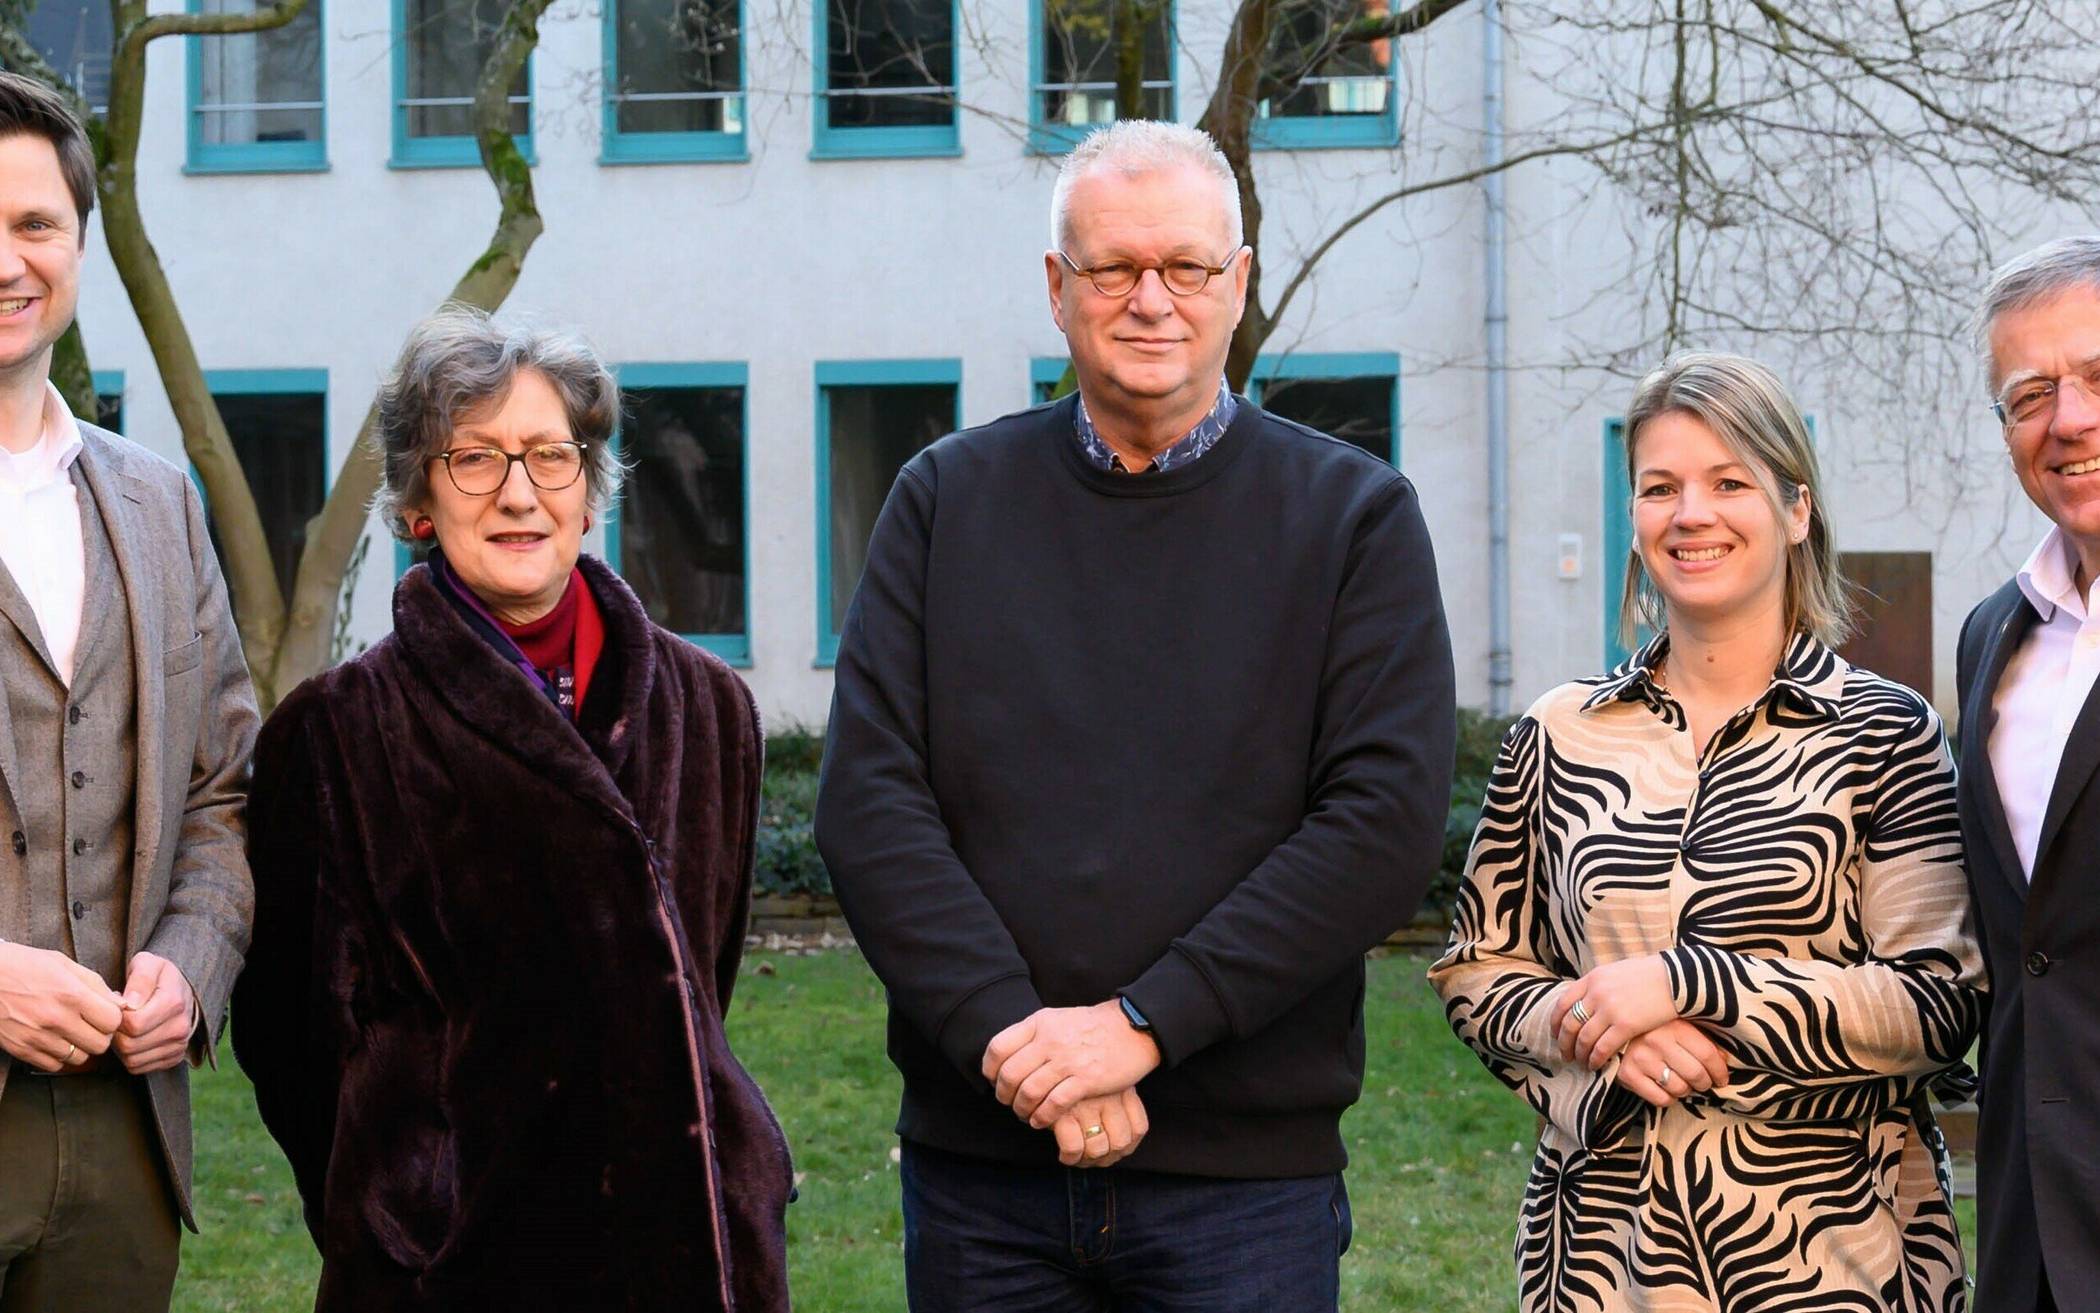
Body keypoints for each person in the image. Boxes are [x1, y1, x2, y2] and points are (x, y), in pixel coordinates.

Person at [814, 119, 1456, 1311]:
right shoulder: (946, 501)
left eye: (1188, 267)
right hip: (983, 1178)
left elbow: (1381, 826)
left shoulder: (1354, 519)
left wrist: (1144, 1026)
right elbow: (870, 805)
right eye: (1113, 268)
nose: (1150, 299)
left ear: (1240, 284)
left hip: (1242, 1187)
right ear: (1058, 290)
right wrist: (1025, 1044)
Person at [231, 307, 791, 1311]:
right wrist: (408, 1207)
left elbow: (702, 974)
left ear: (589, 491)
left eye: (549, 455)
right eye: (475, 458)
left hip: (691, 1255)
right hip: (452, 1270)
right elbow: (288, 1040)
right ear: (418, 500)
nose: (520, 492)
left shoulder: (711, 709)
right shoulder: (335, 732)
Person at [1431, 352, 1984, 1312]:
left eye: (1730, 482)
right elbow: (1478, 972)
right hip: (1603, 1261)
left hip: (1839, 1260)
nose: (1692, 513)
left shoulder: (1886, 733)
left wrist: (1690, 984)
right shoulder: (1559, 733)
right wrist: (1598, 1035)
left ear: (1796, 510)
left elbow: (1938, 1004)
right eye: (1660, 487)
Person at [0, 70, 257, 1312]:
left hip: (120, 1141)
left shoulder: (157, 500)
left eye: (35, 224)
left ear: (80, 246)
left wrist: (192, 963)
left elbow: (222, 790)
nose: (7, 258)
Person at [1956, 235, 2100, 1313]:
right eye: (2031, 393)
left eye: (2099, 377)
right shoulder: (1989, 639)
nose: (2069, 419)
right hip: (2032, 1229)